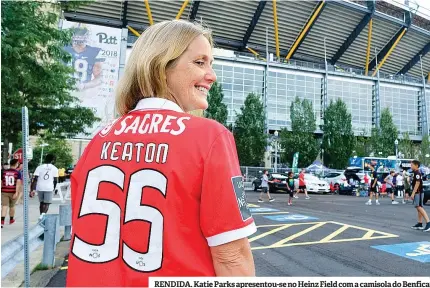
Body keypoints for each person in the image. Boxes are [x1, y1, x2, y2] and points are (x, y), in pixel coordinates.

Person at [66, 20, 256, 287]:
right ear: (160, 65)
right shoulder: (210, 137)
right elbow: (232, 255)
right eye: (200, 63)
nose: (212, 75)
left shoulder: (99, 139)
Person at [1, 159, 22, 228]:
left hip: (4, 191)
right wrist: (16, 192)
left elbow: (1, 182)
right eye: (18, 163)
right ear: (16, 164)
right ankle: (11, 219)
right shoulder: (18, 173)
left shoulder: (4, 172)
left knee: (4, 206)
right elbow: (18, 183)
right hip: (12, 192)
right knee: (12, 206)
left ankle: (2, 221)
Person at [410, 160, 430, 232]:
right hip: (418, 192)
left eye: (412, 165)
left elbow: (417, 183)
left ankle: (428, 223)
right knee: (418, 207)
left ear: (416, 165)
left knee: (419, 207)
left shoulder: (417, 173)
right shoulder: (416, 173)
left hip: (418, 192)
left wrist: (413, 193)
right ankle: (420, 223)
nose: (411, 166)